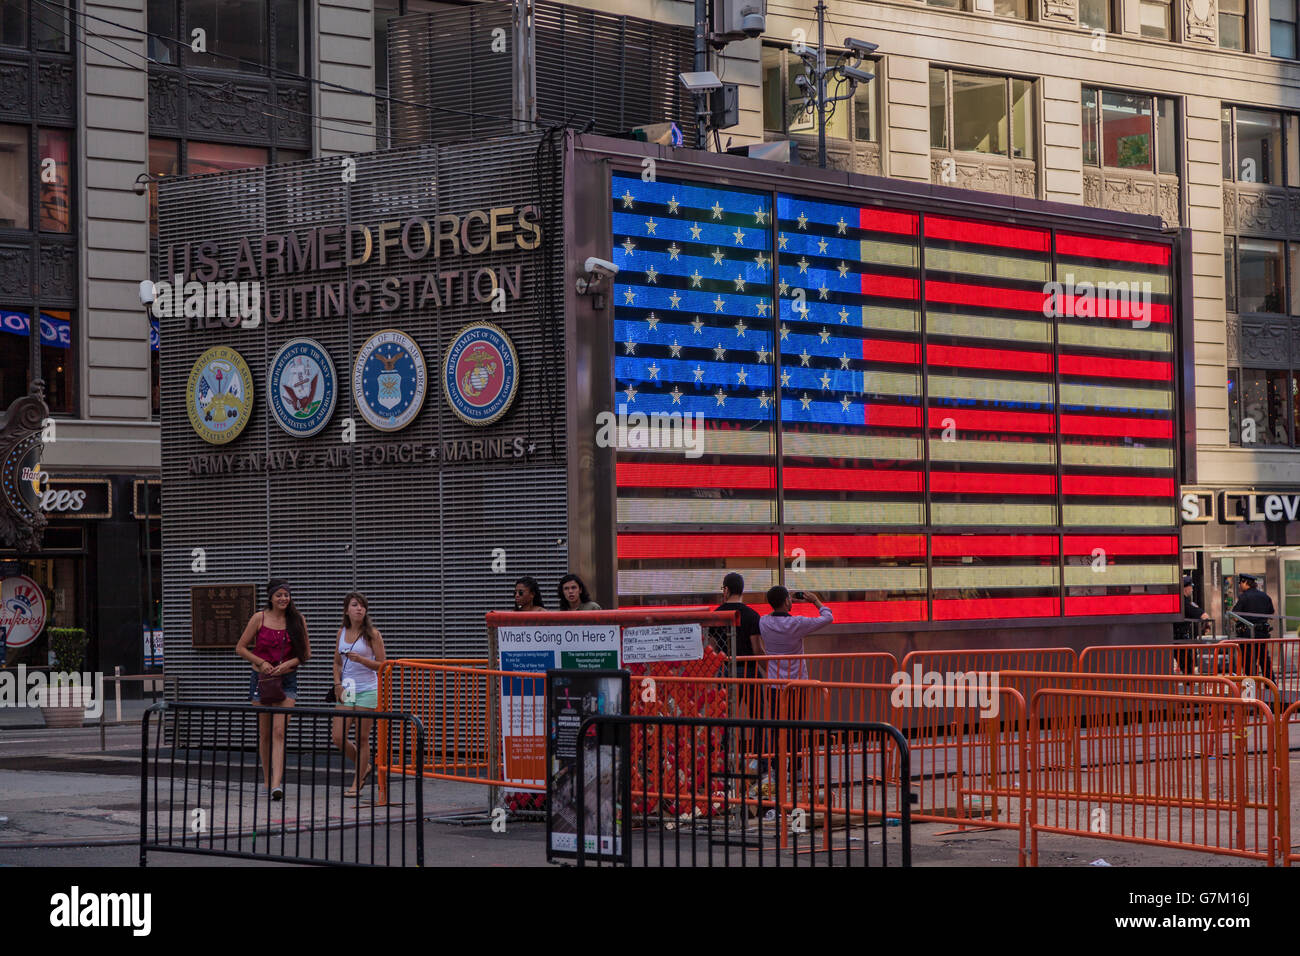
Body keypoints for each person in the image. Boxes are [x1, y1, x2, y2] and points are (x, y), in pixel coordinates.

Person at [235, 579, 310, 801]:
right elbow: (240, 647)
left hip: (287, 680)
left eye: (286, 594)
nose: (283, 598)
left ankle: (277, 783)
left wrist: (288, 664)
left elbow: (306, 653)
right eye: (278, 595)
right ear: (270, 597)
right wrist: (260, 662)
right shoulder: (259, 618)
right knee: (265, 733)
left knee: (279, 731)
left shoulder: (297, 620)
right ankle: (267, 781)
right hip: (262, 680)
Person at [331, 592, 387, 797]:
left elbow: (383, 665)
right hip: (348, 688)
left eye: (362, 606)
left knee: (362, 737)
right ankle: (364, 766)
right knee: (338, 737)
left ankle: (357, 780)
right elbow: (337, 662)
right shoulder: (341, 632)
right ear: (347, 610)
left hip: (367, 688)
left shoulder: (372, 634)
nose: (359, 609)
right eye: (354, 605)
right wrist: (337, 684)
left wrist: (362, 660)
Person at [715, 572, 762, 677]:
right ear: (742, 590)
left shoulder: (716, 615)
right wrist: (769, 669)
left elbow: (713, 646)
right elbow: (757, 649)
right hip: (748, 670)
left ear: (726, 590)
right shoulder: (752, 615)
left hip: (725, 669)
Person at [1233, 573, 1275, 681]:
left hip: (1247, 634)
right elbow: (1271, 612)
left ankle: (1253, 684)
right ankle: (1270, 685)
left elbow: (1235, 616)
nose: (1240, 586)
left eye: (1241, 583)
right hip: (1262, 633)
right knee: (1264, 659)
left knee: (1248, 661)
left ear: (1246, 583)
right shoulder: (1265, 596)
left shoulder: (1244, 597)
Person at [1174, 574, 1209, 676]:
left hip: (1177, 638)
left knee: (1186, 664)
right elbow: (1204, 615)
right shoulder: (1184, 602)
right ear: (1186, 587)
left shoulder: (1180, 600)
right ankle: (1189, 686)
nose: (1192, 589)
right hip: (1180, 639)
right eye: (1191, 586)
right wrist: (1205, 625)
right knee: (1187, 666)